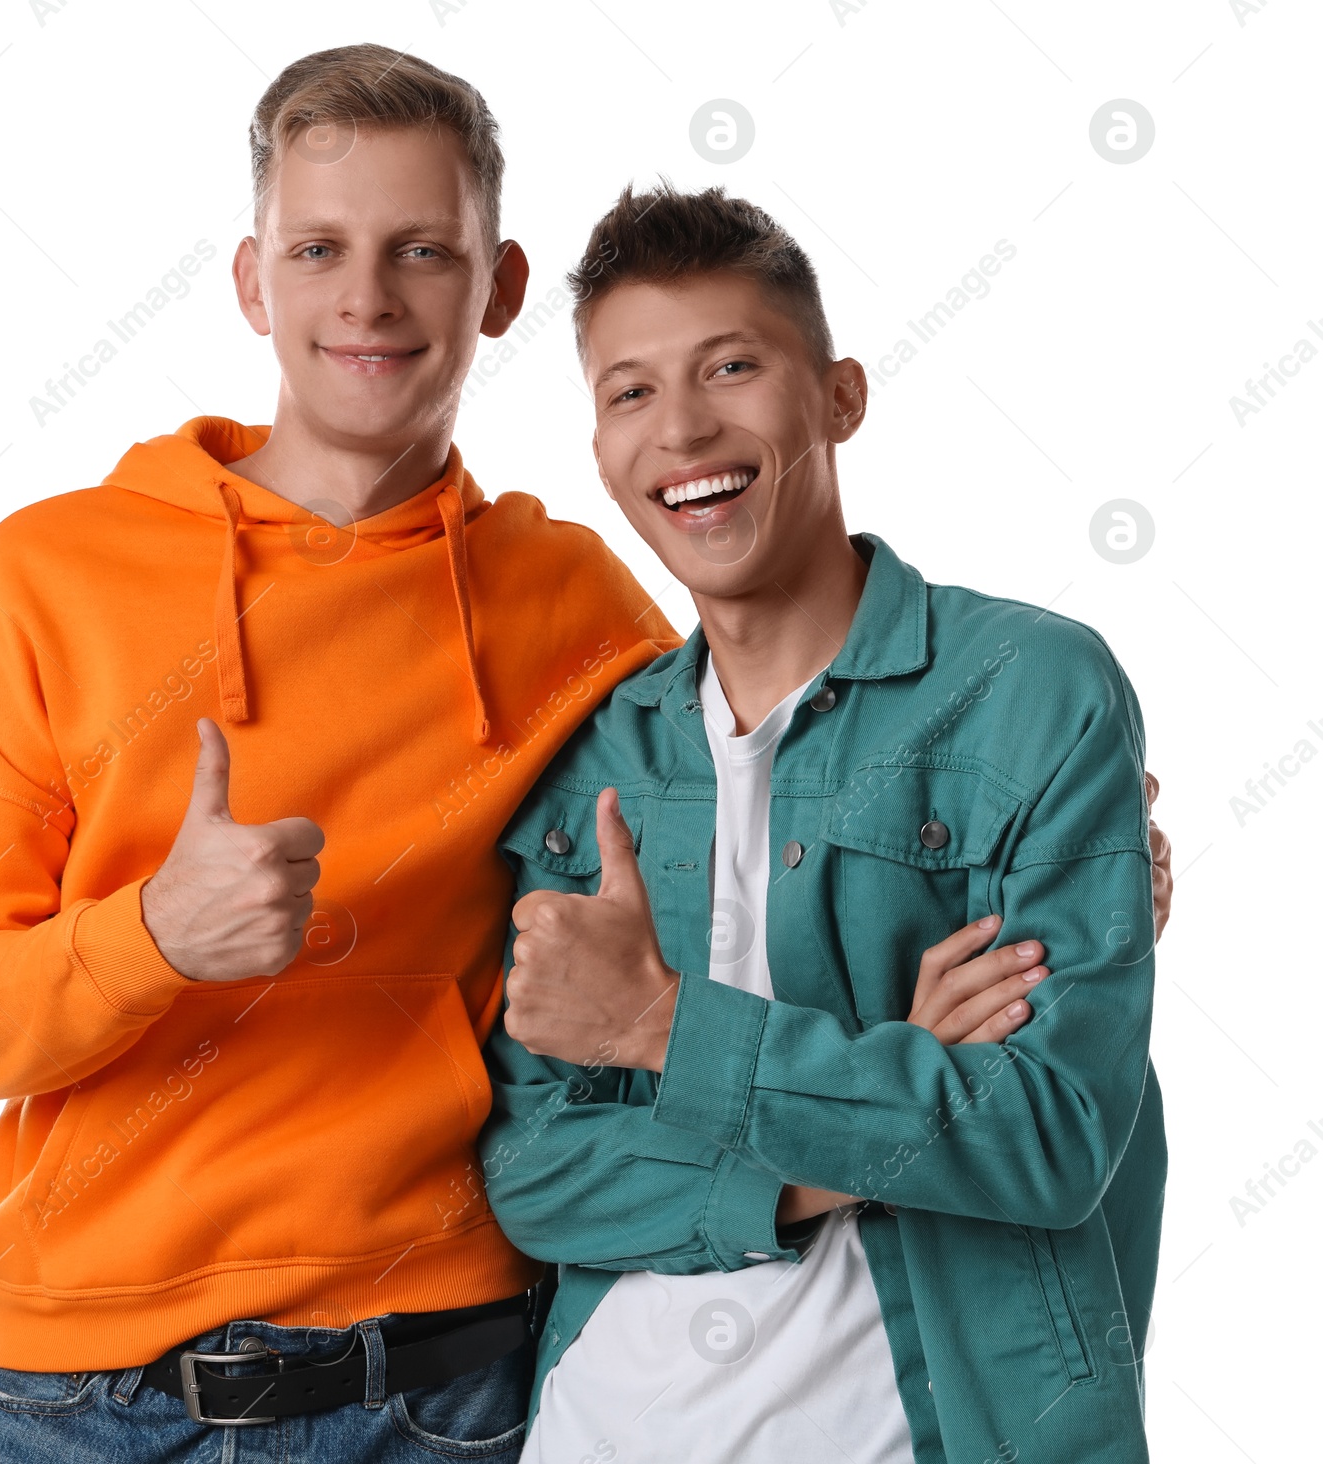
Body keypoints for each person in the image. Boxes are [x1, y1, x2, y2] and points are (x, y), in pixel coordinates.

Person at [0, 46, 1172, 1464]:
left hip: (449, 1390)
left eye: (421, 250)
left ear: (495, 287)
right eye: (320, 250)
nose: (366, 298)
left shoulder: (575, 609)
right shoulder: (48, 573)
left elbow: (785, 754)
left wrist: (1090, 859)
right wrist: (151, 937)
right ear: (254, 283)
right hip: (84, 1393)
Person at [482, 185, 1168, 1464]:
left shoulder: (1029, 693)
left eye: (730, 367)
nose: (682, 426)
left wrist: (662, 1029)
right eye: (629, 391)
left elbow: (1050, 1136)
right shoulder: (594, 757)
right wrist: (879, 1114)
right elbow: (533, 1174)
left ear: (840, 396)